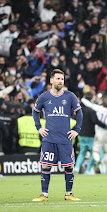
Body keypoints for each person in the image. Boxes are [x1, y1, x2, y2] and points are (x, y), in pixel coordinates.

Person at [32, 69, 83, 201]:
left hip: (65, 138)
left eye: (62, 79)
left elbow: (79, 113)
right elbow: (35, 112)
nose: (60, 81)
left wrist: (76, 130)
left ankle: (69, 193)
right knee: (46, 165)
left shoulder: (70, 96)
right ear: (51, 80)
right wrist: (39, 128)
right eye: (58, 79)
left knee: (69, 166)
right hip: (49, 138)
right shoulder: (44, 97)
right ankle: (44, 194)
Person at [74, 92, 107, 175]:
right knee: (94, 152)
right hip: (90, 135)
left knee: (82, 152)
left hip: (81, 134)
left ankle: (77, 168)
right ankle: (88, 170)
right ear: (92, 99)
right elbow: (95, 121)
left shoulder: (79, 109)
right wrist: (105, 126)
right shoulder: (91, 110)